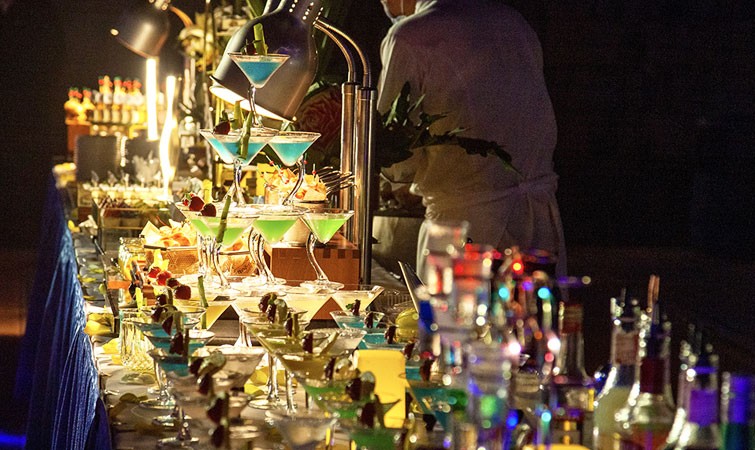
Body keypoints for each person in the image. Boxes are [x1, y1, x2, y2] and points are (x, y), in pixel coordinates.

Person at [376, 0, 567, 277]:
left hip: (462, 233)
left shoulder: (410, 35)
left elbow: (396, 158)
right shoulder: (515, 23)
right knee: (531, 305)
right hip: (537, 229)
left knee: (455, 307)